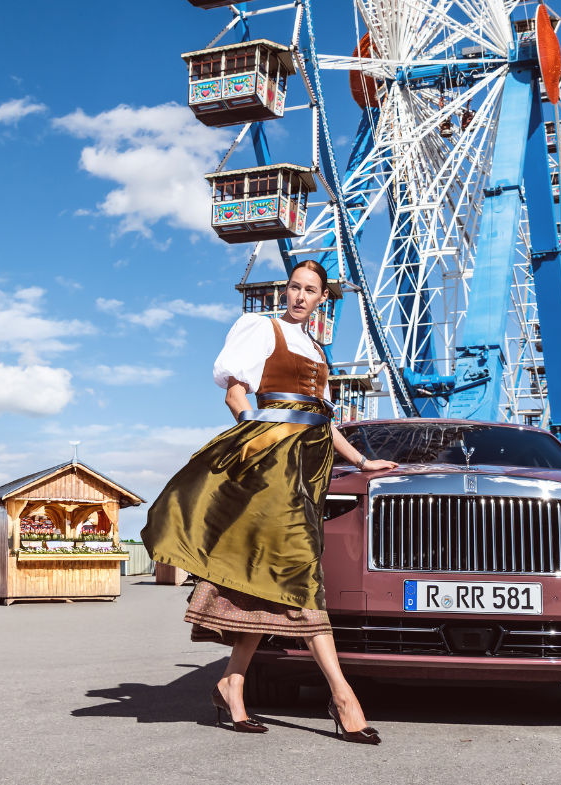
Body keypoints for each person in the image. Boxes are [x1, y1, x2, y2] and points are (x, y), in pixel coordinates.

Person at [142, 260, 397, 744]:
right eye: (294, 287)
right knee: (301, 574)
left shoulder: (317, 350)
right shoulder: (262, 329)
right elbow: (235, 393)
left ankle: (232, 684)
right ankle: (343, 697)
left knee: (270, 577)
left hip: (308, 470)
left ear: (322, 299)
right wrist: (256, 439)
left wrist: (364, 462)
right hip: (272, 465)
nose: (300, 296)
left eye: (310, 290)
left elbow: (324, 420)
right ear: (286, 290)